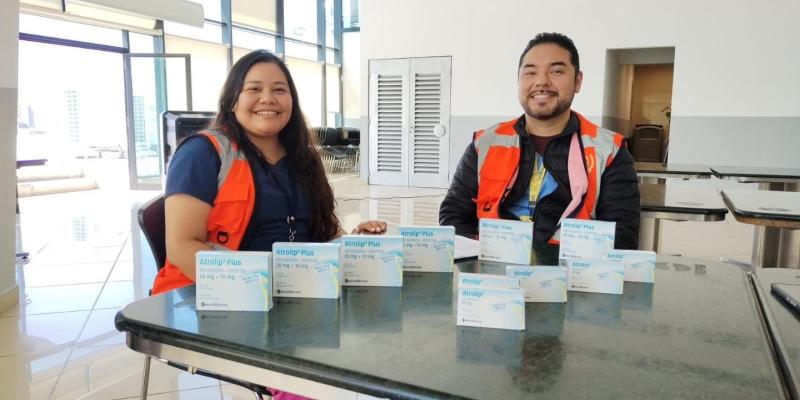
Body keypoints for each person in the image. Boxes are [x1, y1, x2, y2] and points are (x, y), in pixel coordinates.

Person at [152, 49, 386, 295]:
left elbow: (323, 231)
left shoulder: (302, 157)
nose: (267, 98)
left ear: (291, 102)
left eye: (279, 90)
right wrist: (254, 288)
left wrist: (353, 243)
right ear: (233, 100)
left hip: (293, 292)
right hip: (211, 296)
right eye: (254, 89)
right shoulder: (202, 153)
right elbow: (181, 245)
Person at [439, 32, 639, 249]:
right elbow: (455, 213)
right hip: (493, 269)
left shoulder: (609, 150)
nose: (542, 81)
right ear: (519, 80)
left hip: (572, 273)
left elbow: (621, 233)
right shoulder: (485, 143)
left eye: (556, 71)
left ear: (577, 81)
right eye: (531, 72)